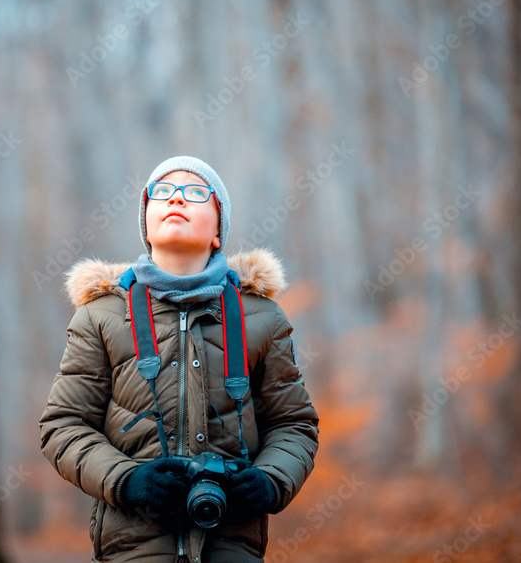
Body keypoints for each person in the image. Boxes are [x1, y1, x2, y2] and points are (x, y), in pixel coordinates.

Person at [39, 155, 319, 562]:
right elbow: (62, 425)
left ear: (218, 231)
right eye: (163, 193)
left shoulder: (261, 317)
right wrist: (127, 480)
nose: (177, 200)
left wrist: (270, 481)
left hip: (232, 541)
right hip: (133, 544)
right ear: (146, 227)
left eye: (195, 192)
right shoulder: (101, 316)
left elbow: (294, 424)